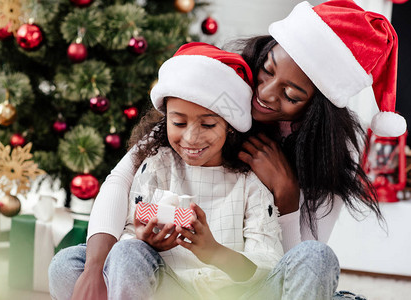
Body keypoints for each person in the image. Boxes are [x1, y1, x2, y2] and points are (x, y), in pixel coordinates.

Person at [50, 1, 407, 299]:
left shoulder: (324, 151)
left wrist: (286, 195)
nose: (265, 94)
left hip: (248, 283)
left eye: (291, 95)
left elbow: (295, 259)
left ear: (317, 109)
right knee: (70, 266)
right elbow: (121, 181)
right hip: (174, 277)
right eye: (267, 71)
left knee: (317, 260)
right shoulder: (213, 90)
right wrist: (98, 267)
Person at [49, 42, 284, 299]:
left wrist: (214, 251)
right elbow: (126, 235)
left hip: (214, 291)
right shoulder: (158, 164)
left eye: (207, 124)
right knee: (67, 264)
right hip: (160, 284)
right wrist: (144, 241)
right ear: (166, 118)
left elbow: (267, 270)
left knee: (126, 254)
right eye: (179, 122)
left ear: (229, 125)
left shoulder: (249, 182)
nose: (191, 138)